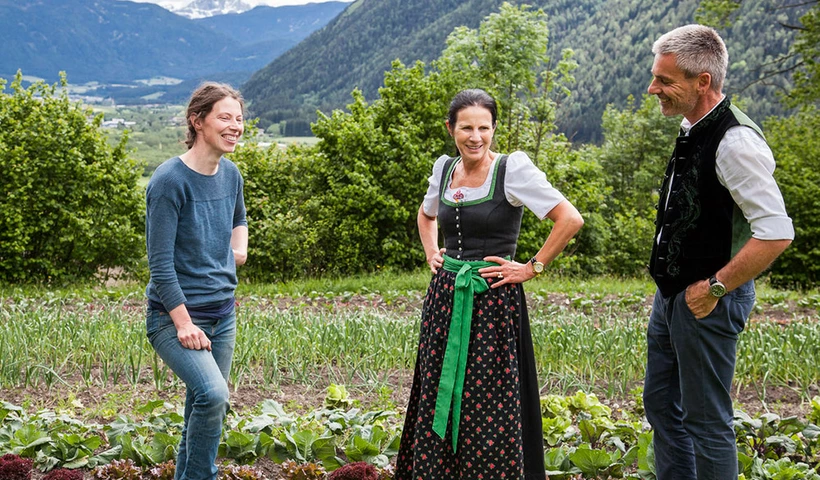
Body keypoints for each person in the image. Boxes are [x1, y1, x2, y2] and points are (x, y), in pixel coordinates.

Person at [395, 89, 584, 480]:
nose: (475, 136)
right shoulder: (445, 169)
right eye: (466, 127)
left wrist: (531, 268)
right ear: (451, 129)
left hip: (494, 302)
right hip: (445, 300)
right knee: (439, 387)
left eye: (484, 127)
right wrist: (432, 251)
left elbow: (570, 219)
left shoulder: (512, 170)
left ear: (494, 129)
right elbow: (426, 214)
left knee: (488, 400)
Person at [644, 25, 794, 480]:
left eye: (665, 81)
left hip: (708, 298)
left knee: (706, 421)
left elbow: (775, 232)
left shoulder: (735, 142)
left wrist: (713, 287)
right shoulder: (694, 125)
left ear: (702, 82)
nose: (653, 89)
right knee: (661, 404)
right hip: (673, 293)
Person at [145, 82, 248, 480]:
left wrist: (239, 250)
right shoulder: (170, 180)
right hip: (174, 319)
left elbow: (239, 218)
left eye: (239, 119)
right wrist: (184, 324)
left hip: (224, 315)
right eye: (225, 117)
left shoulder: (231, 174)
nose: (235, 126)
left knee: (200, 408)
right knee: (214, 394)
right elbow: (160, 265)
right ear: (197, 121)